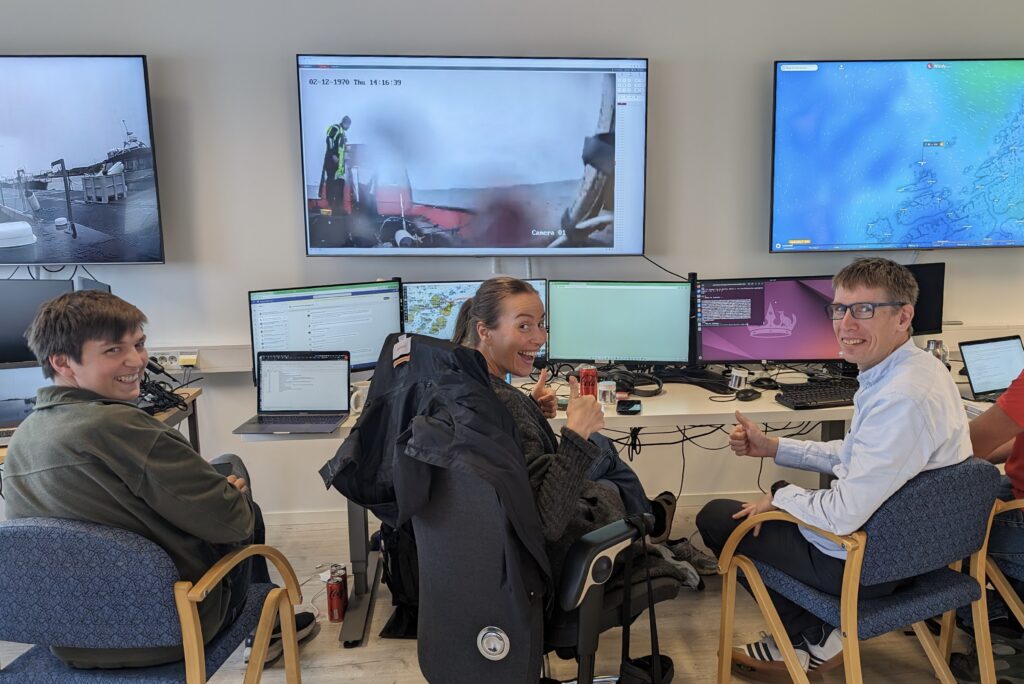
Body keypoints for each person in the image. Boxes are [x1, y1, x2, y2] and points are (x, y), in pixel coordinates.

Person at [2, 291, 316, 669]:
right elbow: (234, 524)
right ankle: (267, 631)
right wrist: (227, 498)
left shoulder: (23, 437)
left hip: (71, 640)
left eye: (139, 344)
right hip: (175, 630)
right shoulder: (126, 427)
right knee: (237, 485)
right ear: (62, 362)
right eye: (113, 350)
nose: (136, 361)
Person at [696, 257, 972, 676]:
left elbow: (843, 513)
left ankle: (803, 638)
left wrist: (780, 499)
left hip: (870, 564)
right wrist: (774, 447)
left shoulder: (902, 398)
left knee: (719, 518)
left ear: (904, 316)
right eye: (839, 309)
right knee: (781, 497)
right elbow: (859, 455)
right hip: (913, 550)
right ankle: (820, 636)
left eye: (865, 310)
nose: (846, 324)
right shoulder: (920, 371)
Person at [450, 276, 713, 584]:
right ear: (484, 331)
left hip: (492, 533)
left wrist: (531, 408)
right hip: (548, 550)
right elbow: (547, 521)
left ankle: (650, 522)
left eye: (541, 324)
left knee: (600, 444)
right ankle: (648, 524)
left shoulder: (460, 378)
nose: (540, 337)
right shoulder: (503, 400)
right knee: (606, 460)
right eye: (524, 326)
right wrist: (576, 431)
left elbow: (513, 446)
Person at [322, 115, 351, 214]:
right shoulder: (336, 128)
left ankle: (338, 207)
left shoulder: (343, 134)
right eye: (349, 125)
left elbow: (340, 148)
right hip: (332, 161)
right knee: (331, 182)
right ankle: (330, 204)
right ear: (346, 123)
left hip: (338, 165)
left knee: (340, 183)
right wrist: (333, 154)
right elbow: (329, 140)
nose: (349, 127)